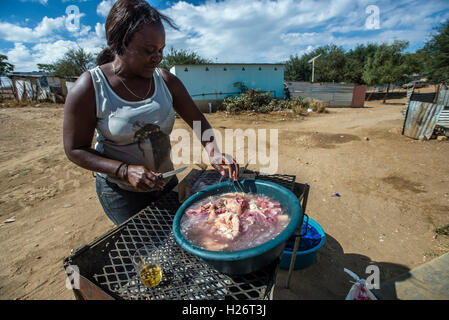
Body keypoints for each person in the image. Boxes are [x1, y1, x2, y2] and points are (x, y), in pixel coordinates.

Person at [63, 0, 239, 226]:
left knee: (178, 236)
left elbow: (198, 121)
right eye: (148, 50)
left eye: (161, 50)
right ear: (119, 44)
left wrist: (213, 151)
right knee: (145, 252)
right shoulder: (91, 86)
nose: (157, 57)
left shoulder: (165, 80)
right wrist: (124, 171)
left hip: (164, 182)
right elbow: (75, 149)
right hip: (121, 192)